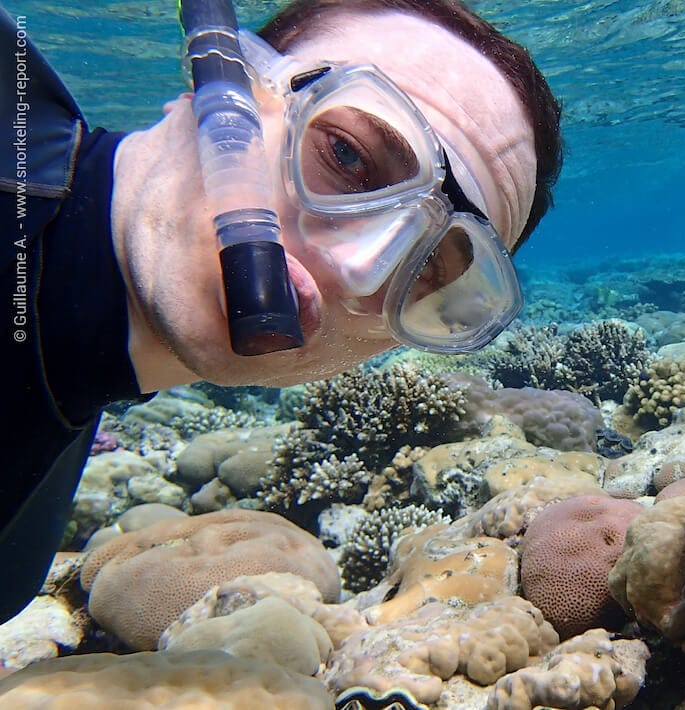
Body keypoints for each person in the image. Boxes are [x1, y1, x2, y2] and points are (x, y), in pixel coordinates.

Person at [0, 0, 562, 622]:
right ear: (215, 87)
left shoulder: (19, 551)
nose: (358, 271)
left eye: (429, 266)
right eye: (347, 156)